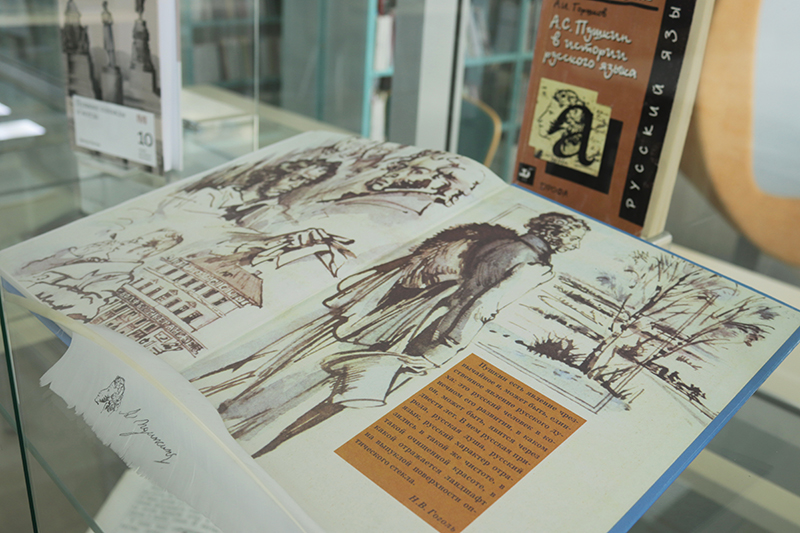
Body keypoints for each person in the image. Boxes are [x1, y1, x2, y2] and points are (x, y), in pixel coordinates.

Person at [201, 212, 589, 456]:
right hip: (431, 332)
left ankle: (243, 415)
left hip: (403, 311)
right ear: (563, 241)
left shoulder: (491, 237)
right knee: (348, 392)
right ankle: (266, 443)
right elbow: (484, 305)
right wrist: (446, 350)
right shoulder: (536, 266)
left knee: (320, 369)